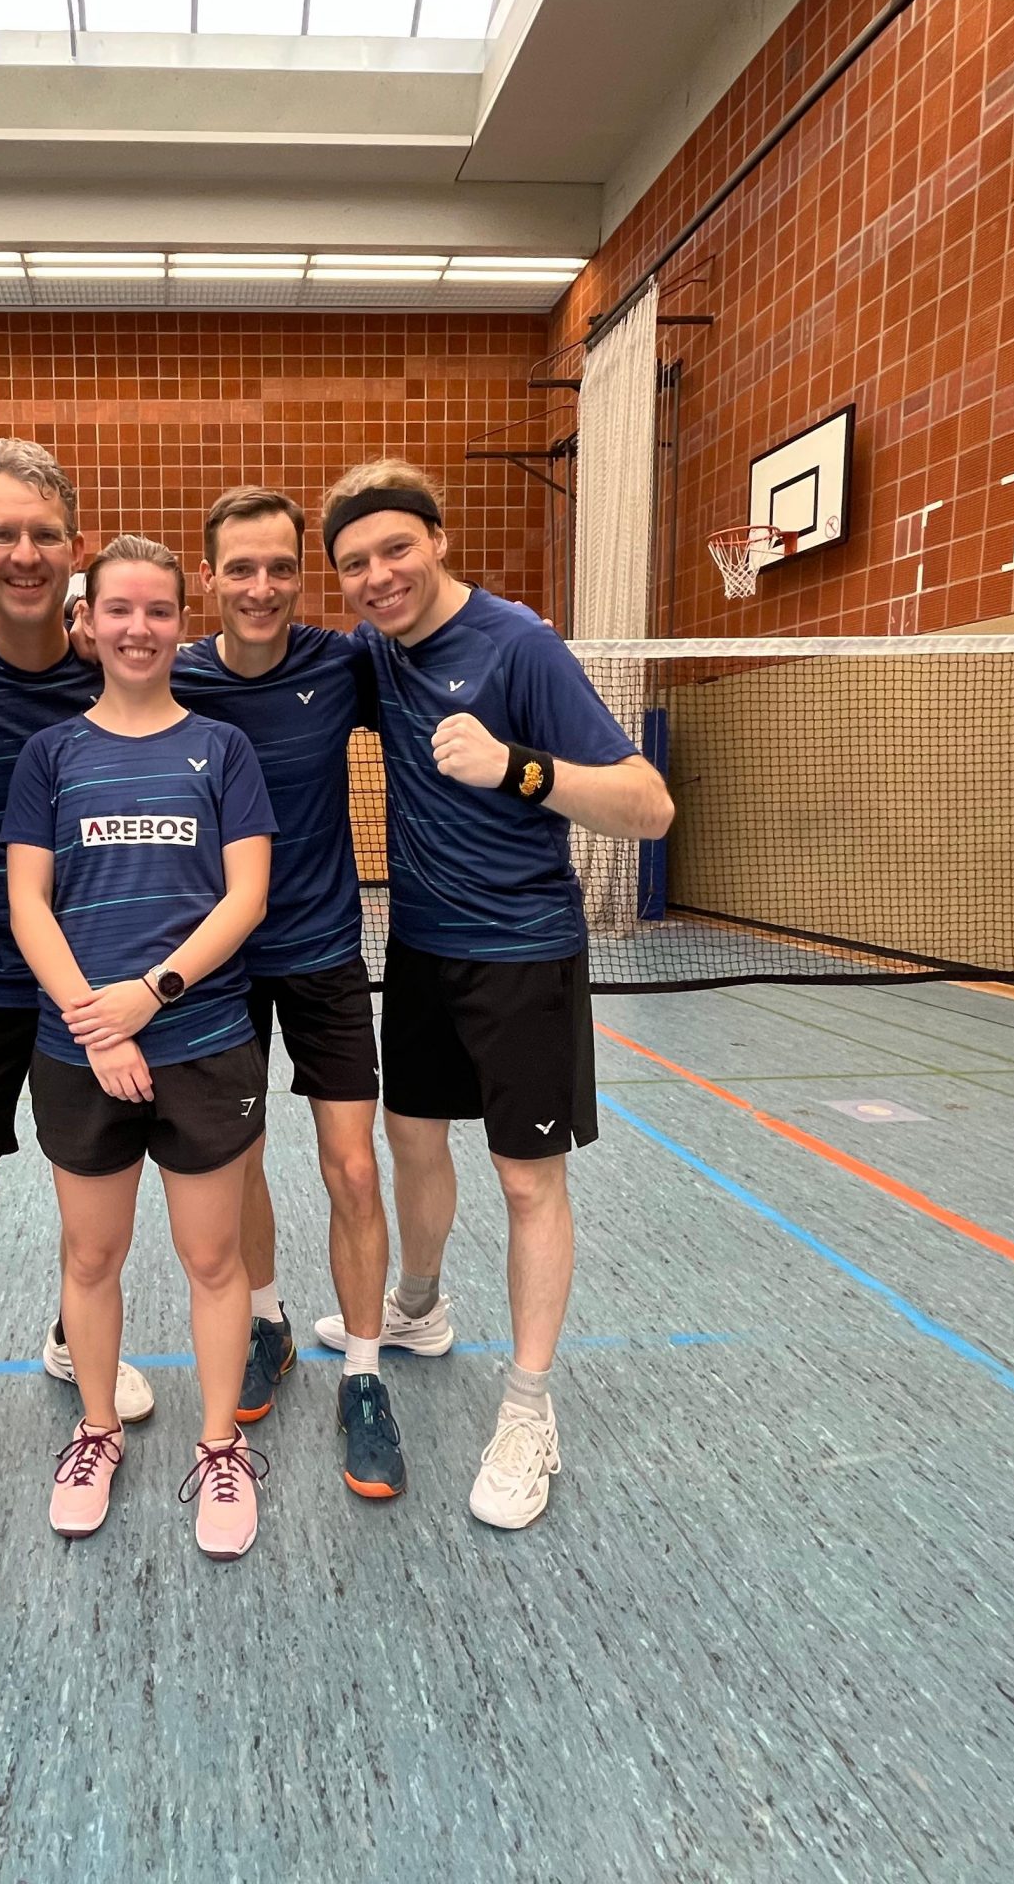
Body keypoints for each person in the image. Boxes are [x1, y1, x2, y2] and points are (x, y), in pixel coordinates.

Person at [318, 459, 674, 1530]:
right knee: (411, 1142)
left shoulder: (520, 645)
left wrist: (520, 769)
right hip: (421, 950)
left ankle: (527, 1409)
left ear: (437, 539)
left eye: (396, 548)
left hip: (523, 955)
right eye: (354, 563)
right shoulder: (374, 655)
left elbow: (648, 806)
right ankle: (419, 1309)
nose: (379, 576)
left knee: (527, 1182)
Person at [3, 535, 277, 1558]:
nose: (137, 628)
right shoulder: (51, 756)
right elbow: (28, 904)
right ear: (85, 621)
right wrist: (95, 1022)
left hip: (203, 1042)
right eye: (117, 609)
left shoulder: (223, 750)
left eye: (158, 610)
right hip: (78, 1052)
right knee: (91, 1255)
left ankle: (220, 1447)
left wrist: (149, 997)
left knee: (213, 1259)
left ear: (180, 623)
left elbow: (245, 897)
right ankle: (96, 1432)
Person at [0, 439, 155, 1491]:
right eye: (3, 534)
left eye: (45, 535)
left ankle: (73, 1336)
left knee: (92, 1192)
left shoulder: (110, 667)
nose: (25, 554)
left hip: (90, 989)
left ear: (75, 548)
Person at [170, 486, 403, 1499]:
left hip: (323, 954)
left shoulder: (341, 664)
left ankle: (364, 1374)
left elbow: (438, 651)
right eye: (241, 568)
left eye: (279, 568)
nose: (261, 587)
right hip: (219, 964)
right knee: (241, 1162)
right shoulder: (174, 674)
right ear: (208, 577)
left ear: (301, 576)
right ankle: (267, 1321)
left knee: (352, 1168)